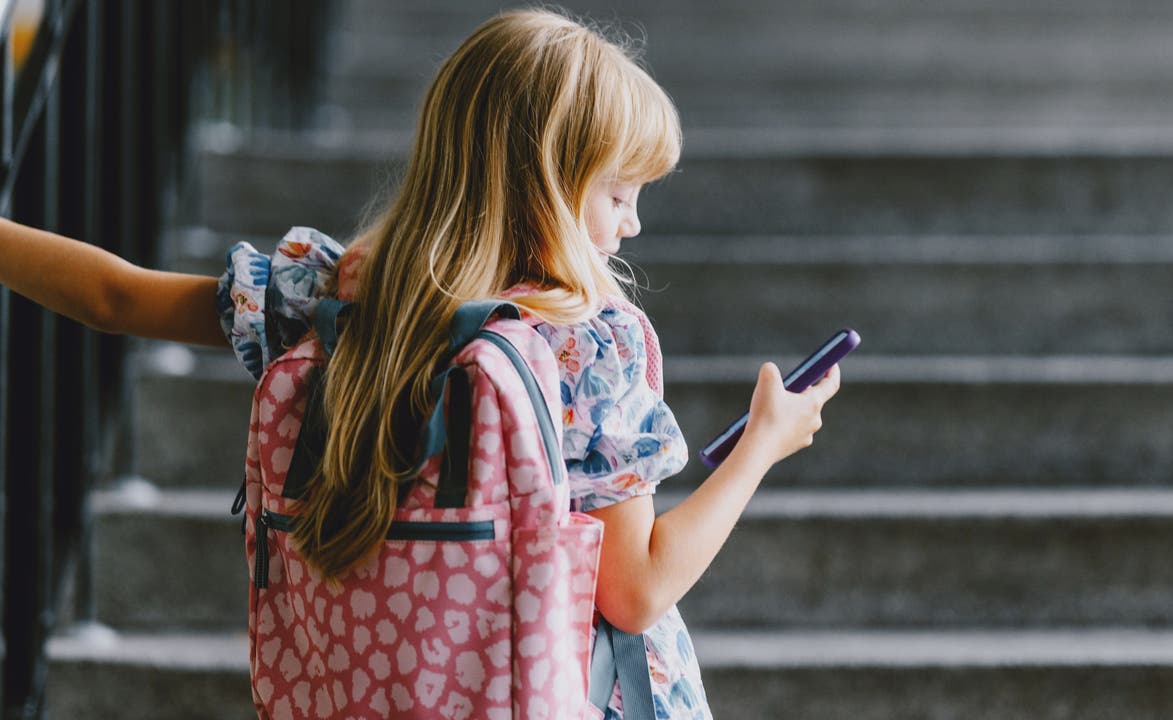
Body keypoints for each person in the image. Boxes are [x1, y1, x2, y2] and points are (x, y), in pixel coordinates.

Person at [0, 8, 840, 718]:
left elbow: (115, 297)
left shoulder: (342, 297)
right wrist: (762, 445)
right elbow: (637, 589)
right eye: (618, 196)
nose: (632, 226)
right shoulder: (583, 342)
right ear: (547, 181)